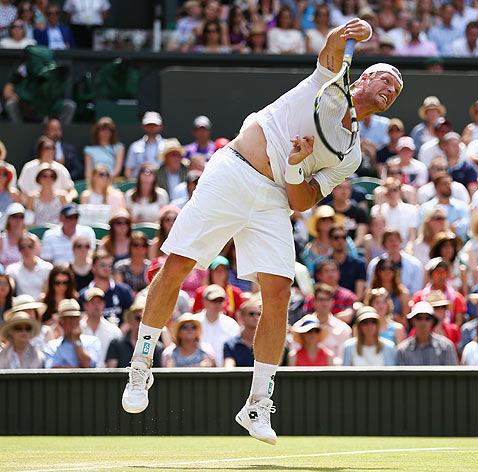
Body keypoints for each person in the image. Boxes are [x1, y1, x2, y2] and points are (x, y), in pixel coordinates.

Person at [121, 18, 400, 445]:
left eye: (396, 90)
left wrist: (293, 164)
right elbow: (330, 47)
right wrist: (348, 34)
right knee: (177, 264)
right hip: (233, 172)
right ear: (362, 77)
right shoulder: (329, 81)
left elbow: (302, 200)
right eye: (385, 78)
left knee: (280, 290)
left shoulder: (351, 154)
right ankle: (141, 367)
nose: (391, 88)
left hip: (273, 199)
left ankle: (257, 404)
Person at [78, 250, 134, 325]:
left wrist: (118, 334)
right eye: (102, 265)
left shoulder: (124, 291)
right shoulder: (83, 295)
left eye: (109, 265)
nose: (107, 268)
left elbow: (132, 317)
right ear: (93, 268)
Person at [396, 301, 458, 366]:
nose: (423, 322)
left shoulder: (446, 347)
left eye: (427, 318)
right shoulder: (403, 350)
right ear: (412, 321)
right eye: (419, 318)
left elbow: (451, 375)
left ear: (433, 321)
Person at [106, 298, 163, 368]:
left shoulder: (156, 347)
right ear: (130, 320)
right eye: (138, 318)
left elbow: (158, 374)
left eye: (145, 320)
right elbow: (111, 373)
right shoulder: (116, 344)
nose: (141, 323)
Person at [44, 299, 100, 368]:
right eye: (68, 319)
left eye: (76, 318)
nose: (73, 323)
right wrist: (79, 369)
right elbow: (52, 371)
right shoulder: (52, 346)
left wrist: (77, 341)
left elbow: (88, 365)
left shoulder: (92, 341)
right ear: (61, 323)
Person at [79, 287, 121, 361]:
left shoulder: (114, 331)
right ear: (85, 305)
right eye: (92, 302)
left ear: (104, 305)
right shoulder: (77, 329)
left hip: (107, 371)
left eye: (99, 302)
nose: (96, 306)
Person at [7, 233, 52, 299]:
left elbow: (47, 292)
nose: (26, 250)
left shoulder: (47, 267)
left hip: (42, 305)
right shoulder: (12, 269)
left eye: (30, 246)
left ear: (35, 247)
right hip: (21, 306)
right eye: (22, 247)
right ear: (19, 249)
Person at [124, 112, 165, 180]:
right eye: (148, 125)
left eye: (154, 125)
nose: (151, 127)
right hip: (139, 185)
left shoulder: (167, 145)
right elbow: (128, 170)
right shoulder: (135, 146)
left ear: (160, 126)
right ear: (143, 126)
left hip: (162, 185)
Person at [224, 295, 261, 368]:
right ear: (241, 317)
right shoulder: (230, 344)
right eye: (251, 314)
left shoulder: (267, 343)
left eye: (259, 314)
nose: (256, 317)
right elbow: (228, 367)